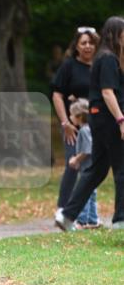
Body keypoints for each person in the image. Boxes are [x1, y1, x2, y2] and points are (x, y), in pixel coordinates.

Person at [55, 16, 124, 232]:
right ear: (115, 34)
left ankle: (67, 215)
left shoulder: (102, 58)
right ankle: (121, 220)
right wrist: (121, 119)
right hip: (109, 119)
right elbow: (107, 92)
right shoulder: (108, 59)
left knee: (97, 170)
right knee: (122, 168)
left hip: (98, 119)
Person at [51, 26, 99, 216]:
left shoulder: (101, 66)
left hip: (97, 125)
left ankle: (87, 213)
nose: (88, 46)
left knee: (92, 168)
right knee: (73, 164)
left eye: (91, 43)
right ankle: (63, 208)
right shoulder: (69, 66)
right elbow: (57, 95)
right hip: (74, 124)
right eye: (83, 43)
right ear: (76, 46)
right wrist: (65, 123)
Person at [67, 100, 99, 228]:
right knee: (91, 193)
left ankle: (81, 221)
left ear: (79, 116)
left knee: (83, 192)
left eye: (72, 115)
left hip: (87, 169)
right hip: (93, 167)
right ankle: (92, 220)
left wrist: (76, 159)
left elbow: (87, 149)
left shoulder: (84, 131)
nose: (70, 117)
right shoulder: (90, 128)